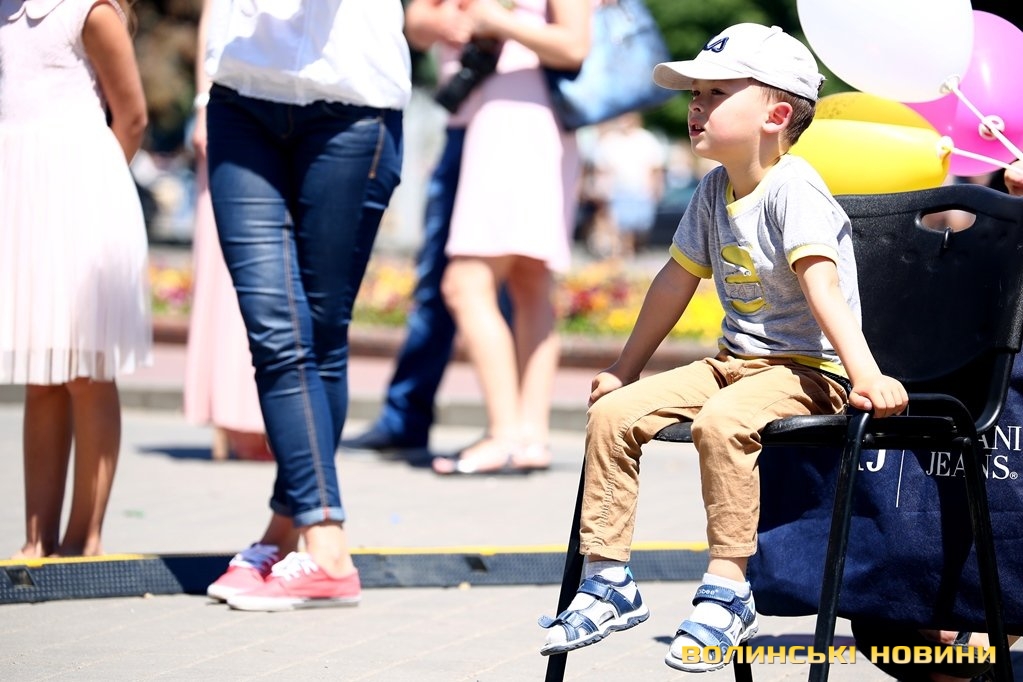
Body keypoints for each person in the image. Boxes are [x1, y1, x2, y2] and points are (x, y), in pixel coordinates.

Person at [536, 23, 909, 670]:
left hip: (809, 370)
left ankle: (728, 588)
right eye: (694, 94)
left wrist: (865, 375)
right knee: (613, 414)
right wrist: (625, 368)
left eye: (715, 93)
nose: (696, 107)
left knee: (721, 423)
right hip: (735, 365)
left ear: (776, 115)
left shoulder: (795, 190)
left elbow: (821, 286)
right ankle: (608, 579)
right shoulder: (712, 190)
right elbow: (673, 281)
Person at [199, 0, 410, 611]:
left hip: (351, 102)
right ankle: (311, 541)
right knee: (275, 329)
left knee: (318, 334)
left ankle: (312, 544)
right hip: (241, 94)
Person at [0, 0, 152, 559]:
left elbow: (131, 117)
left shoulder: (89, 12)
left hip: (83, 205)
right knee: (41, 375)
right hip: (23, 206)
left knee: (86, 372)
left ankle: (83, 536)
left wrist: (92, 191)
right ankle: (37, 536)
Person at [430, 0, 592, 475]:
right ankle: (528, 436)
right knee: (529, 282)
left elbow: (575, 44)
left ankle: (504, 434)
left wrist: (496, 20)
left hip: (518, 125)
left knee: (465, 283)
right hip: (523, 120)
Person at [339, 0, 474, 456]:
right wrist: (454, 21)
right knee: (438, 276)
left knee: (517, 286)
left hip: (528, 129)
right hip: (463, 123)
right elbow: (415, 23)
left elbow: (574, 42)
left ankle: (513, 429)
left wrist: (503, 24)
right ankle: (406, 416)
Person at [182, 0, 270, 462]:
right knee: (230, 272)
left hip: (282, 111)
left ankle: (258, 416)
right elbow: (215, 15)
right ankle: (235, 415)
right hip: (232, 112)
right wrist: (203, 105)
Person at [593, 112, 667, 259]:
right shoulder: (610, 140)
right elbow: (601, 167)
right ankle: (618, 252)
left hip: (640, 189)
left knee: (637, 224)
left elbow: (656, 167)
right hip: (616, 189)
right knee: (616, 222)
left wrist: (656, 187)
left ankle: (628, 250)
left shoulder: (646, 139)